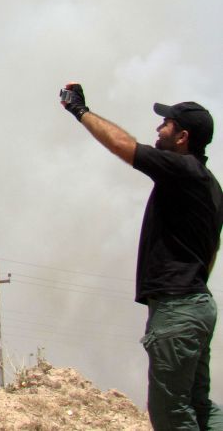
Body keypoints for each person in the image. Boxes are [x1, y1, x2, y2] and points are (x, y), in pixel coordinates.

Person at [60, 83, 223, 430]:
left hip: (178, 310)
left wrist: (80, 111)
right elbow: (212, 251)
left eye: (166, 124)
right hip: (198, 305)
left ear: (182, 137)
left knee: (171, 413)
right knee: (198, 405)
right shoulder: (210, 184)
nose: (158, 128)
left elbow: (123, 146)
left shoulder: (182, 171)